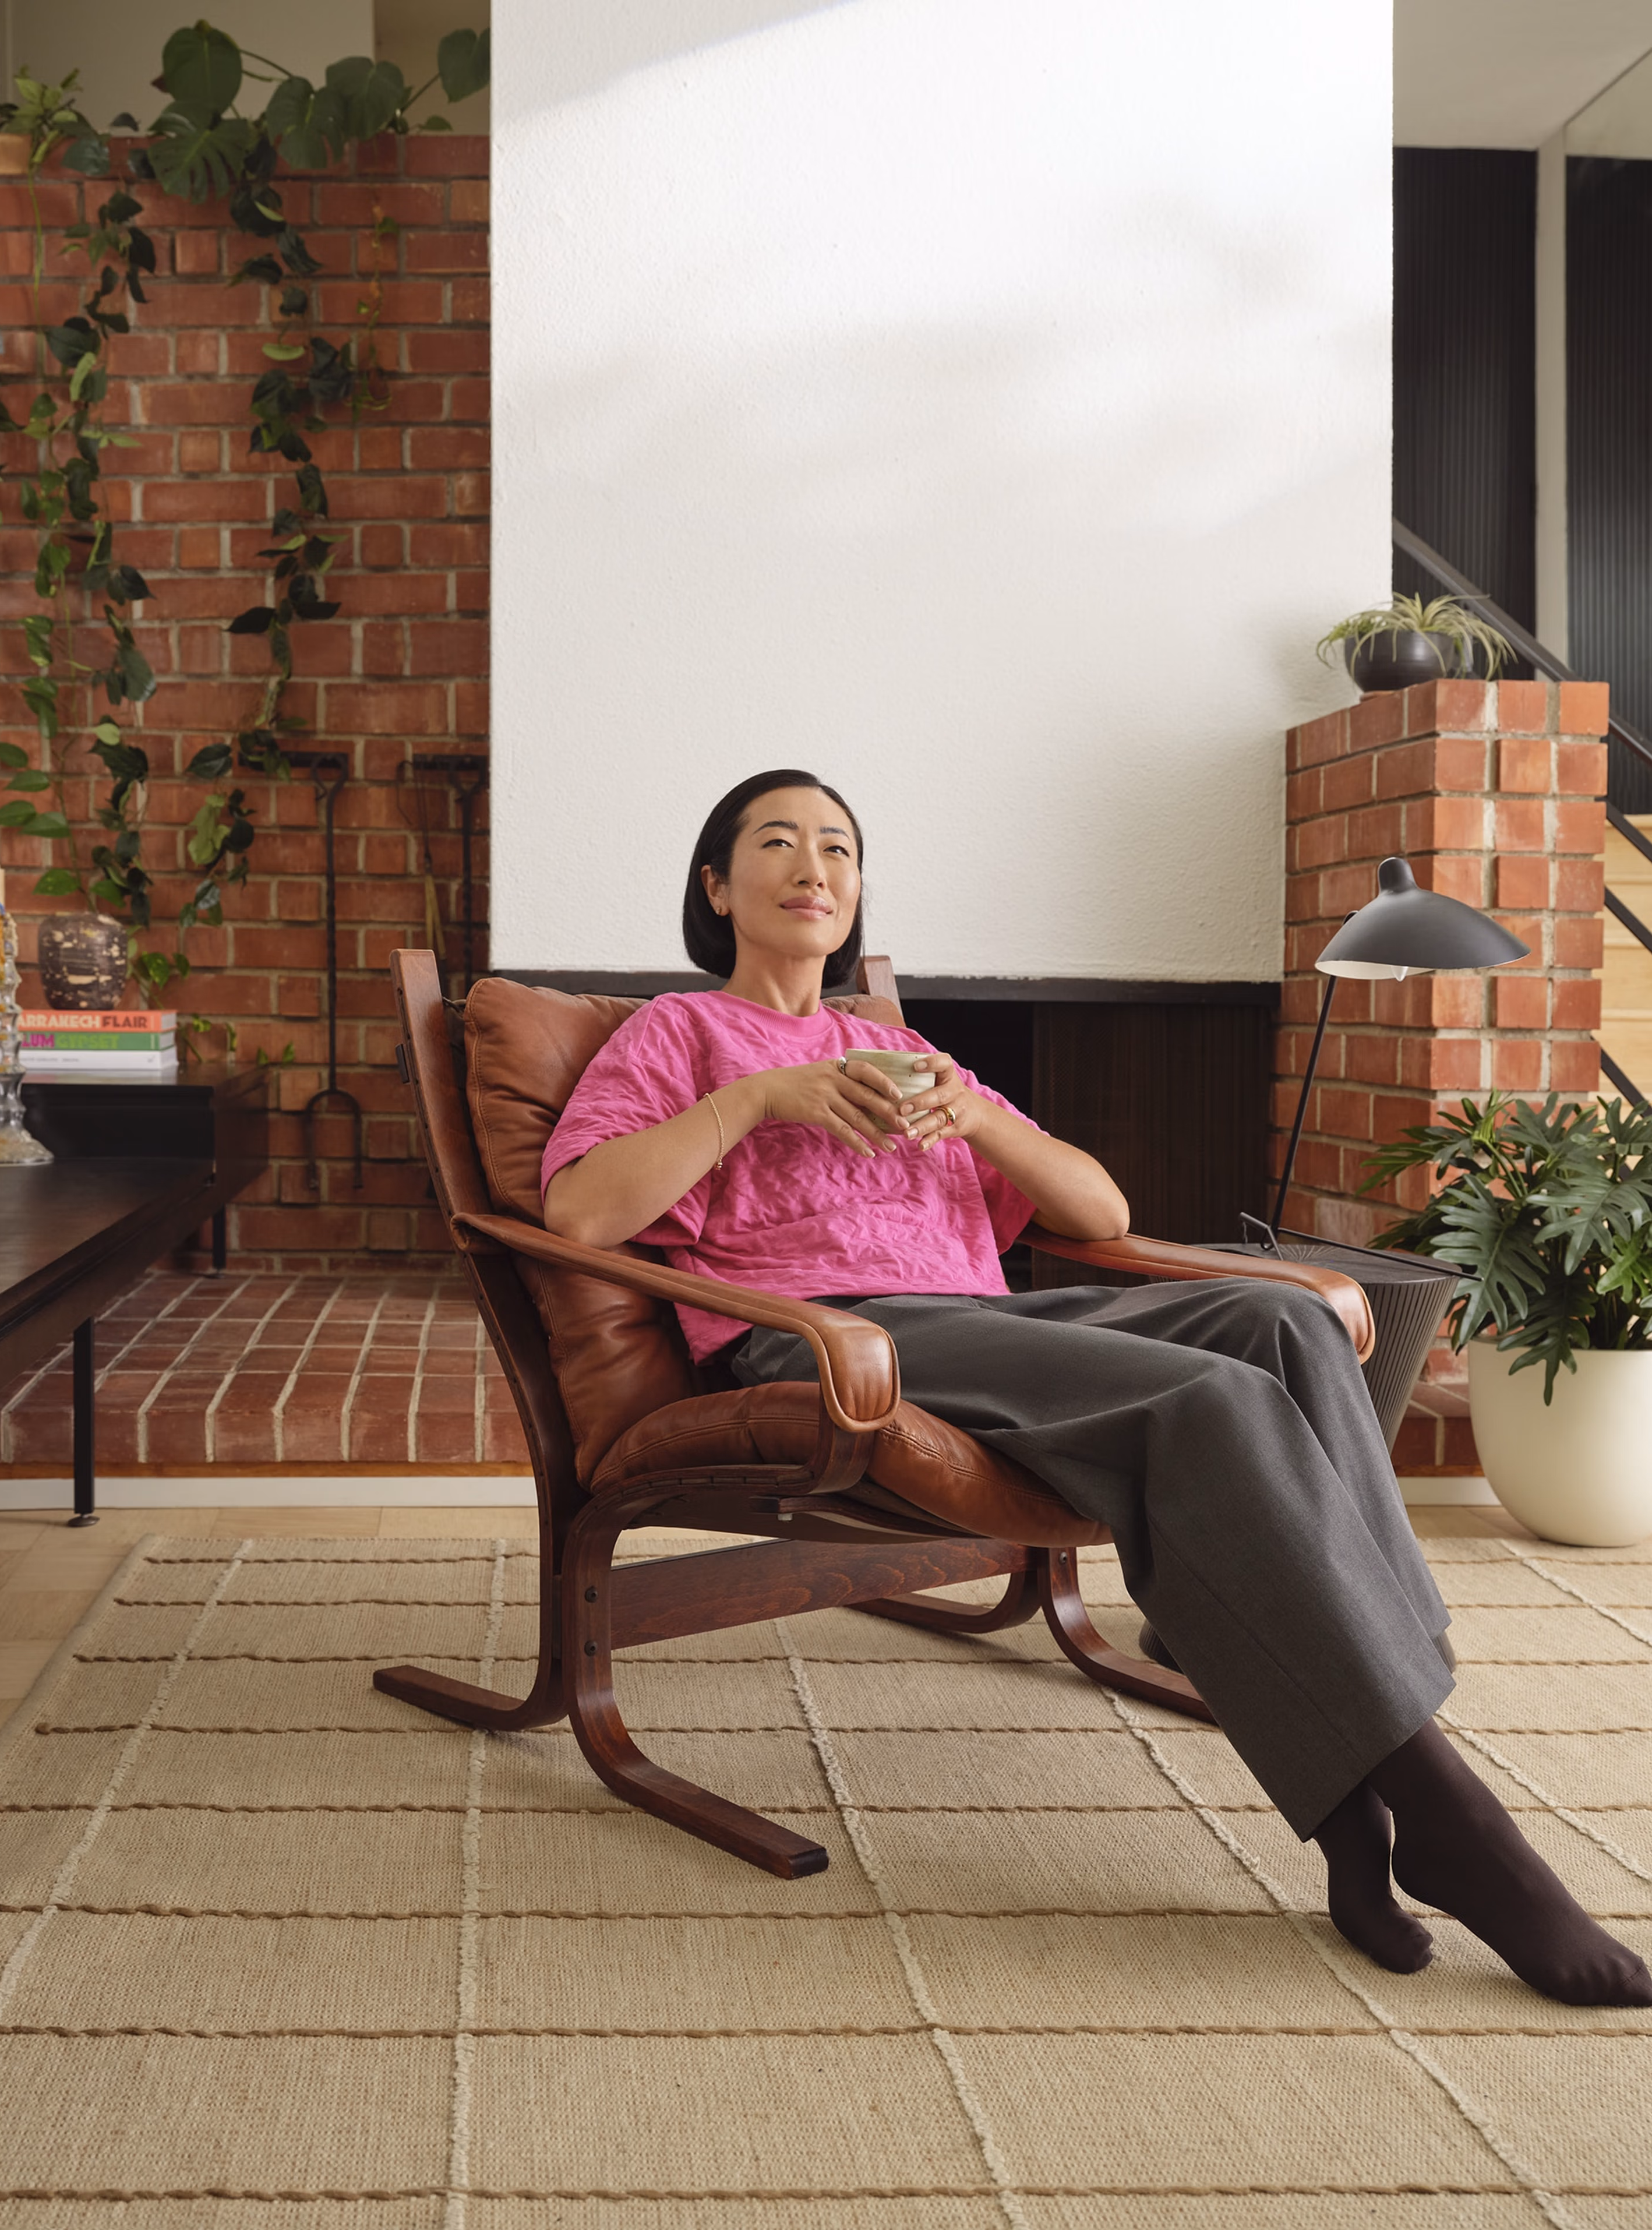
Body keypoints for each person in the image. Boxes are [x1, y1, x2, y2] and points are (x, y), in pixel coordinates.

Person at [538, 767, 1652, 2009]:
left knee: (1283, 1322)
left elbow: (1100, 1212)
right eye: (779, 843)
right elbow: (579, 1211)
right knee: (1215, 1405)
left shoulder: (899, 1048)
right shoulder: (677, 1036)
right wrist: (756, 1100)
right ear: (716, 886)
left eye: (840, 848)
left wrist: (978, 1122)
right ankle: (1451, 1821)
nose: (816, 867)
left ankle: (1359, 1793)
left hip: (982, 1325)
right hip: (835, 1337)